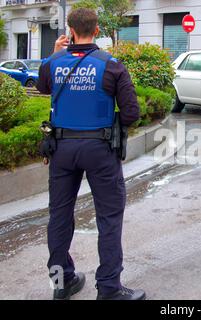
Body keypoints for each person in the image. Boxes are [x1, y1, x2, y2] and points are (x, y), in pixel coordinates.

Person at [36, 8, 145, 300]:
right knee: (108, 218)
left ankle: (61, 283)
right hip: (100, 149)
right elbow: (132, 113)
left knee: (59, 216)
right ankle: (109, 288)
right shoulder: (111, 65)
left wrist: (55, 52)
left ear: (70, 30)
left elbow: (43, 86)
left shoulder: (52, 63)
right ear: (97, 30)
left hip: (61, 149)